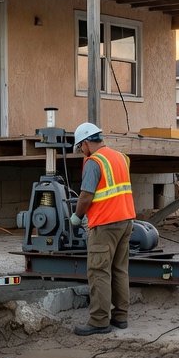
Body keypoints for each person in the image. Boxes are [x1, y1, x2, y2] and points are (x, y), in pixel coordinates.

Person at [68, 122, 135, 334]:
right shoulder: (120, 157)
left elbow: (86, 195)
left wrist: (77, 216)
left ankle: (99, 321)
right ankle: (120, 316)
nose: (82, 152)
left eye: (81, 147)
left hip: (105, 224)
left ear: (87, 143)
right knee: (119, 269)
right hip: (126, 220)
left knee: (99, 271)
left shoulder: (94, 162)